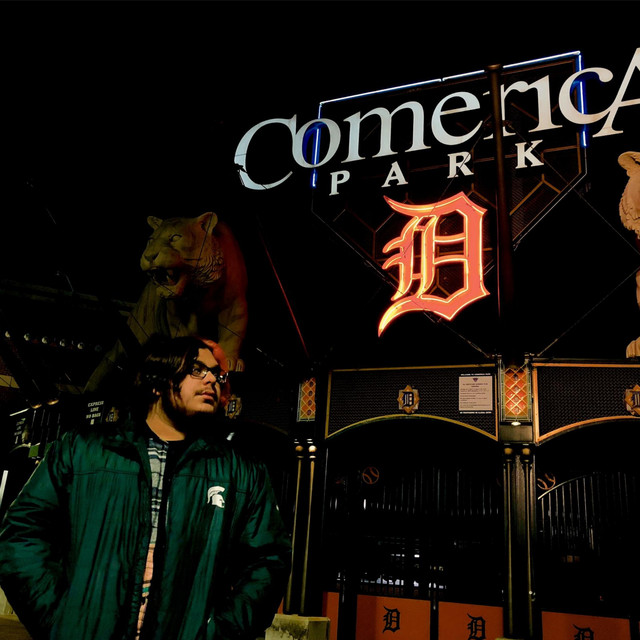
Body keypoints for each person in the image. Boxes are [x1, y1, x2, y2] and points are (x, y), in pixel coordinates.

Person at [0, 335, 292, 640]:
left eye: (217, 375)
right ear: (156, 382)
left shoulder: (241, 472)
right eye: (196, 369)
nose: (211, 379)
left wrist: (223, 631)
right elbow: (21, 534)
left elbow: (269, 560)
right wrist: (59, 620)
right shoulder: (83, 450)